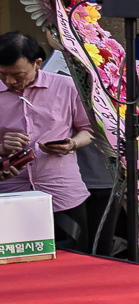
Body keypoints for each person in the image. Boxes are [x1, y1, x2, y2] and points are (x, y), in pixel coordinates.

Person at [0, 31, 98, 250]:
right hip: (9, 195)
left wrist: (72, 144)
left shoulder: (66, 86)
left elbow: (89, 130)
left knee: (72, 261)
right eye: (2, 74)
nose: (9, 81)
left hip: (62, 193)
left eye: (18, 74)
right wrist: (3, 148)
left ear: (37, 63)